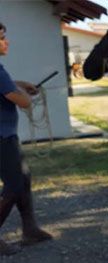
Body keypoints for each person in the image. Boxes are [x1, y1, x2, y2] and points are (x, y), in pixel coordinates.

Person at [0, 22, 52, 255]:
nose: (6, 41)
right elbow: (22, 101)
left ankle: (30, 230)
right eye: (1, 38)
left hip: (6, 134)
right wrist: (24, 94)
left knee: (24, 178)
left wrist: (19, 85)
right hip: (1, 137)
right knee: (14, 184)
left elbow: (8, 88)